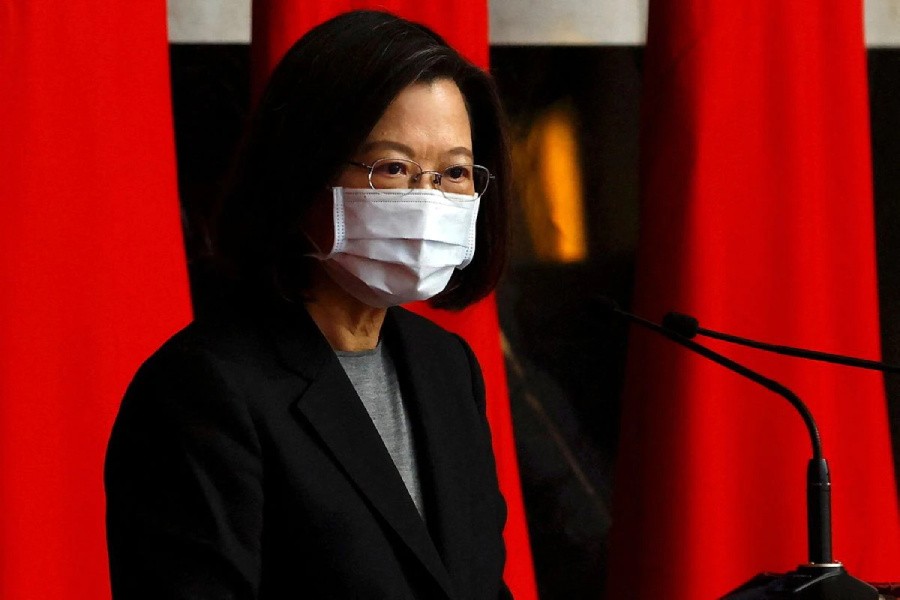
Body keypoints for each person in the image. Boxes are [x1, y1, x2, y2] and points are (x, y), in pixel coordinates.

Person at [104, 9, 514, 600]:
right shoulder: (204, 390)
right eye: (394, 168)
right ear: (301, 171)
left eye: (452, 172)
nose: (430, 201)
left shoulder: (447, 368)